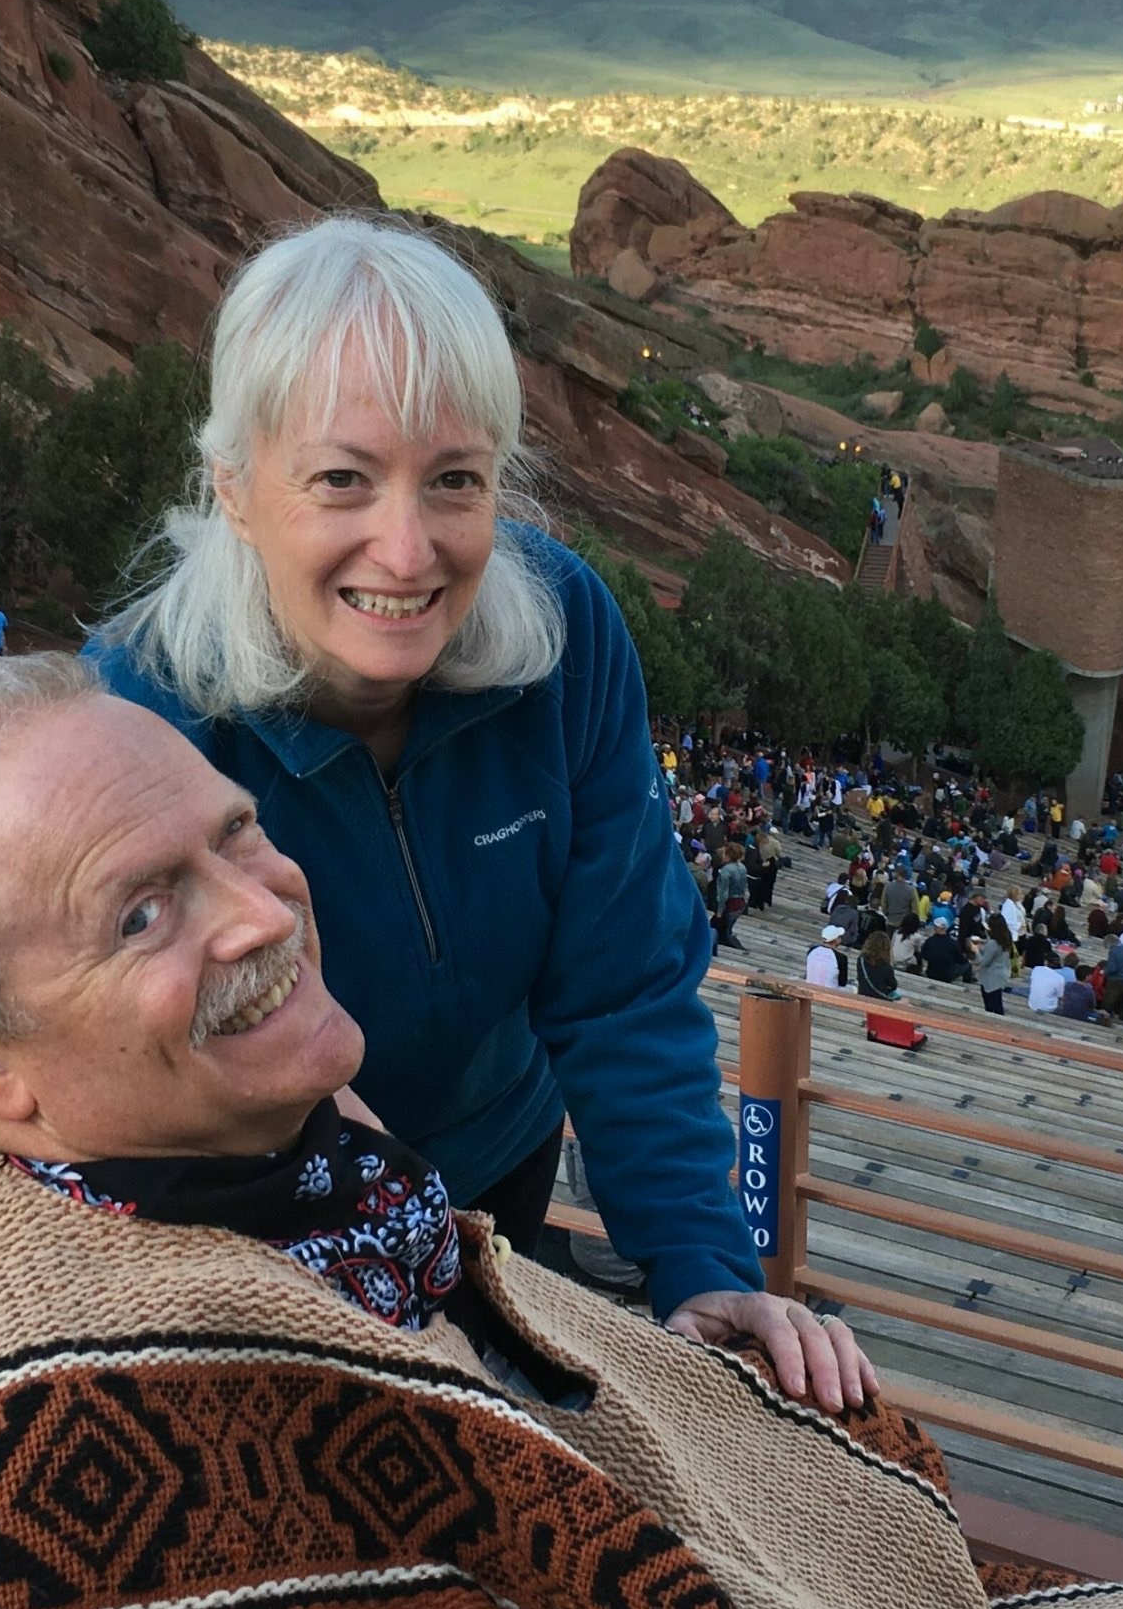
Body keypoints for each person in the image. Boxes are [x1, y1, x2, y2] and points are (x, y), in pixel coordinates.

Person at [0, 661, 1123, 1609]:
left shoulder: (232, 1140)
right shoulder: (53, 1473)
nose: (262, 906)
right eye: (139, 911)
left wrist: (678, 1340)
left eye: (235, 831)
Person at [88, 216, 867, 1380]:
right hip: (268, 1212)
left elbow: (622, 982)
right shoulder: (139, 713)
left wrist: (698, 1263)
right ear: (236, 488)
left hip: (504, 1157)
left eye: (454, 481)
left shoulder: (565, 638)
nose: (406, 553)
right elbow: (162, 1071)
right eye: (343, 480)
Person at [975, 912, 1014, 1015]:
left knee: (991, 1006)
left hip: (991, 976)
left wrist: (975, 950)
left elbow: (984, 962)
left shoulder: (993, 943)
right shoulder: (1005, 939)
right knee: (997, 1003)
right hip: (1002, 973)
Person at [855, 928, 901, 1000]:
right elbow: (893, 985)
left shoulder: (861, 960)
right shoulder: (886, 967)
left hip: (862, 993)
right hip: (880, 998)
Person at [805, 923, 846, 988]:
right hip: (829, 991)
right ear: (836, 940)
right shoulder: (841, 957)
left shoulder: (812, 950)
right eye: (840, 937)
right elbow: (842, 983)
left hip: (810, 986)